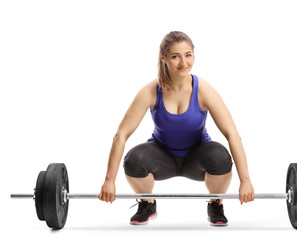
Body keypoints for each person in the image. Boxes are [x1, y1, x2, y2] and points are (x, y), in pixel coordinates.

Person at [99, 31, 254, 226]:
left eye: (188, 55)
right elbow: (120, 135)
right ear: (163, 58)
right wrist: (109, 180)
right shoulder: (150, 91)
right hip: (162, 157)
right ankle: (147, 203)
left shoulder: (203, 89)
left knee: (220, 157)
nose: (183, 62)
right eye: (175, 56)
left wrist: (245, 180)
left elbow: (233, 134)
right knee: (134, 160)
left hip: (197, 158)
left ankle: (216, 203)